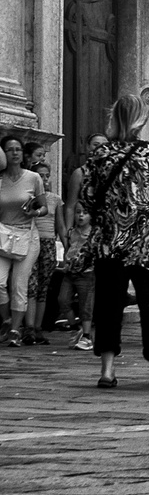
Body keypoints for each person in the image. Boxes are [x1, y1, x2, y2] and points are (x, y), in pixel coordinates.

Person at [62, 94, 149, 388]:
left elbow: (89, 200)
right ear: (140, 119)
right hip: (145, 243)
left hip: (109, 243)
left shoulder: (100, 156)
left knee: (108, 305)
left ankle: (107, 370)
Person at [0, 134, 49, 346]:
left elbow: (44, 206)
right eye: (9, 149)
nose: (14, 153)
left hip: (27, 236)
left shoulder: (33, 178)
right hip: (2, 235)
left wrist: (35, 213)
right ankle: (8, 319)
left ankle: (14, 331)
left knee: (19, 284)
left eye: (18, 149)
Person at [25, 161, 65, 345]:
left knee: (43, 286)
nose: (45, 179)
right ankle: (29, 327)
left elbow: (60, 226)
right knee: (30, 285)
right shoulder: (27, 198)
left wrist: (67, 248)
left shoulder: (55, 199)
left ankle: (38, 327)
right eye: (41, 176)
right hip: (30, 240)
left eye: (48, 175)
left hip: (48, 243)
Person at [61, 204, 94, 350]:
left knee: (85, 305)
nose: (81, 216)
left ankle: (87, 336)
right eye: (78, 212)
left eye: (85, 213)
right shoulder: (71, 232)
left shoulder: (93, 234)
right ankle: (75, 327)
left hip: (87, 273)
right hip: (70, 272)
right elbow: (68, 249)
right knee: (63, 299)